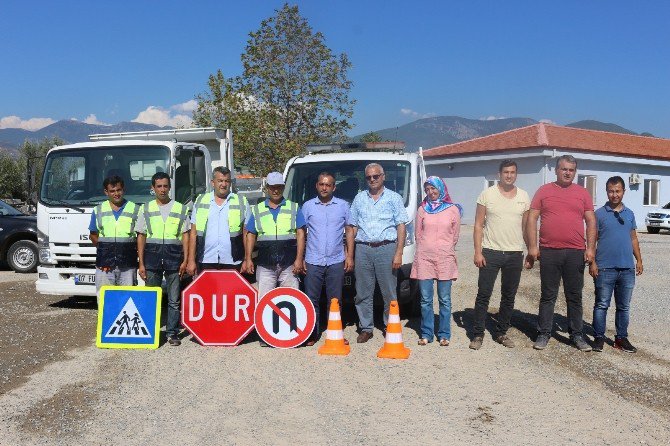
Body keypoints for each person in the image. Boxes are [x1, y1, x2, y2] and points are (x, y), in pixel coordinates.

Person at [526, 155, 596, 351]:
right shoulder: (544, 191)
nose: (567, 173)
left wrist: (590, 249)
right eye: (564, 169)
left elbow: (591, 221)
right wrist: (532, 247)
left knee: (574, 296)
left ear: (575, 172)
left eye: (571, 170)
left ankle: (577, 335)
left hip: (575, 252)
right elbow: (532, 219)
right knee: (548, 295)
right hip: (549, 251)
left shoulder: (582, 193)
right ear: (556, 170)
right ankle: (543, 333)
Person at [469, 160, 530, 350]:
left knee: (509, 296)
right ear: (499, 174)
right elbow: (478, 225)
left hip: (514, 254)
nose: (509, 175)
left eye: (512, 172)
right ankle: (478, 334)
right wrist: (478, 251)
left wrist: (530, 251)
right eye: (506, 172)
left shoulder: (524, 196)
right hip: (490, 252)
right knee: (483, 294)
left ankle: (501, 332)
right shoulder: (487, 195)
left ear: (516, 174)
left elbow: (526, 227)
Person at [348, 163, 409, 343]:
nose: (372, 180)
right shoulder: (359, 199)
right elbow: (352, 227)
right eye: (368, 177)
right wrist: (350, 254)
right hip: (363, 249)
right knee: (362, 292)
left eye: (376, 176)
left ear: (383, 176)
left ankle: (389, 325)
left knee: (389, 291)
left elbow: (401, 226)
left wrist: (398, 253)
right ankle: (366, 328)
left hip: (386, 248)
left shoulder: (394, 198)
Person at [589, 176, 643, 353]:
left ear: (623, 191)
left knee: (624, 307)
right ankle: (598, 337)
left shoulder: (629, 214)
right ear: (607, 192)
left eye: (618, 191)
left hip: (627, 269)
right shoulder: (599, 214)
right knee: (602, 304)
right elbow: (592, 240)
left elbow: (633, 238)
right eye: (611, 191)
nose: (614, 194)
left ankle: (621, 338)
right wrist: (592, 262)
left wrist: (639, 260)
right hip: (605, 268)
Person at [136, 172, 190, 347]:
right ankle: (150, 331)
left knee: (174, 300)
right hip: (152, 257)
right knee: (152, 297)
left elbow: (186, 236)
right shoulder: (145, 208)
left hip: (174, 257)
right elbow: (141, 236)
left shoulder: (181, 208)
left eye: (165, 186)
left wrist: (186, 260)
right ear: (153, 188)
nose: (162, 189)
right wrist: (141, 263)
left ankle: (172, 333)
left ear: (170, 187)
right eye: (159, 186)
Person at [301, 172, 355, 346]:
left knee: (335, 300)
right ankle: (312, 333)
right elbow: (301, 233)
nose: (325, 188)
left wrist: (350, 256)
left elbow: (349, 231)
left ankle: (336, 332)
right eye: (322, 184)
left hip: (336, 259)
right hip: (313, 259)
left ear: (334, 187)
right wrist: (300, 257)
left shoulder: (343, 206)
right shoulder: (307, 206)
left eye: (328, 185)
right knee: (311, 298)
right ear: (317, 185)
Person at [411, 176, 461, 346]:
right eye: (427, 189)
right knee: (425, 299)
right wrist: (427, 247)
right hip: (425, 258)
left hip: (445, 258)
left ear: (441, 189)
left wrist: (444, 248)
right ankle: (426, 333)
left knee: (444, 299)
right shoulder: (422, 209)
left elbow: (455, 235)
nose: (431, 192)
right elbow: (418, 234)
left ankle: (444, 334)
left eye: (434, 188)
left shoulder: (452, 209)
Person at [242, 172, 306, 298]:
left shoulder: (294, 207)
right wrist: (248, 258)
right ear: (267, 188)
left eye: (279, 187)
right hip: (265, 264)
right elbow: (250, 235)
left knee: (291, 299)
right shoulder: (258, 209)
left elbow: (301, 234)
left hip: (289, 263)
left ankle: (289, 319)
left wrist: (299, 259)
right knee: (265, 300)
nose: (275, 190)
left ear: (283, 187)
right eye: (272, 187)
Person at [186, 167, 249, 276]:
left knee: (230, 293)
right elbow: (193, 233)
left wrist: (247, 259)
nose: (223, 184)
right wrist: (191, 260)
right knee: (207, 292)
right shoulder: (201, 200)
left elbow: (246, 234)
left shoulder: (241, 201)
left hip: (233, 261)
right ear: (213, 183)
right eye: (220, 181)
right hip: (206, 259)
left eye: (227, 181)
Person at [89, 175, 140, 302]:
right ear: (106, 192)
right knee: (104, 298)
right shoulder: (98, 210)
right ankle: (105, 322)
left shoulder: (135, 209)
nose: (116, 194)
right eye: (112, 191)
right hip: (104, 265)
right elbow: (93, 235)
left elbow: (140, 236)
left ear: (123, 189)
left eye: (119, 190)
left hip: (128, 264)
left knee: (128, 298)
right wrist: (105, 252)